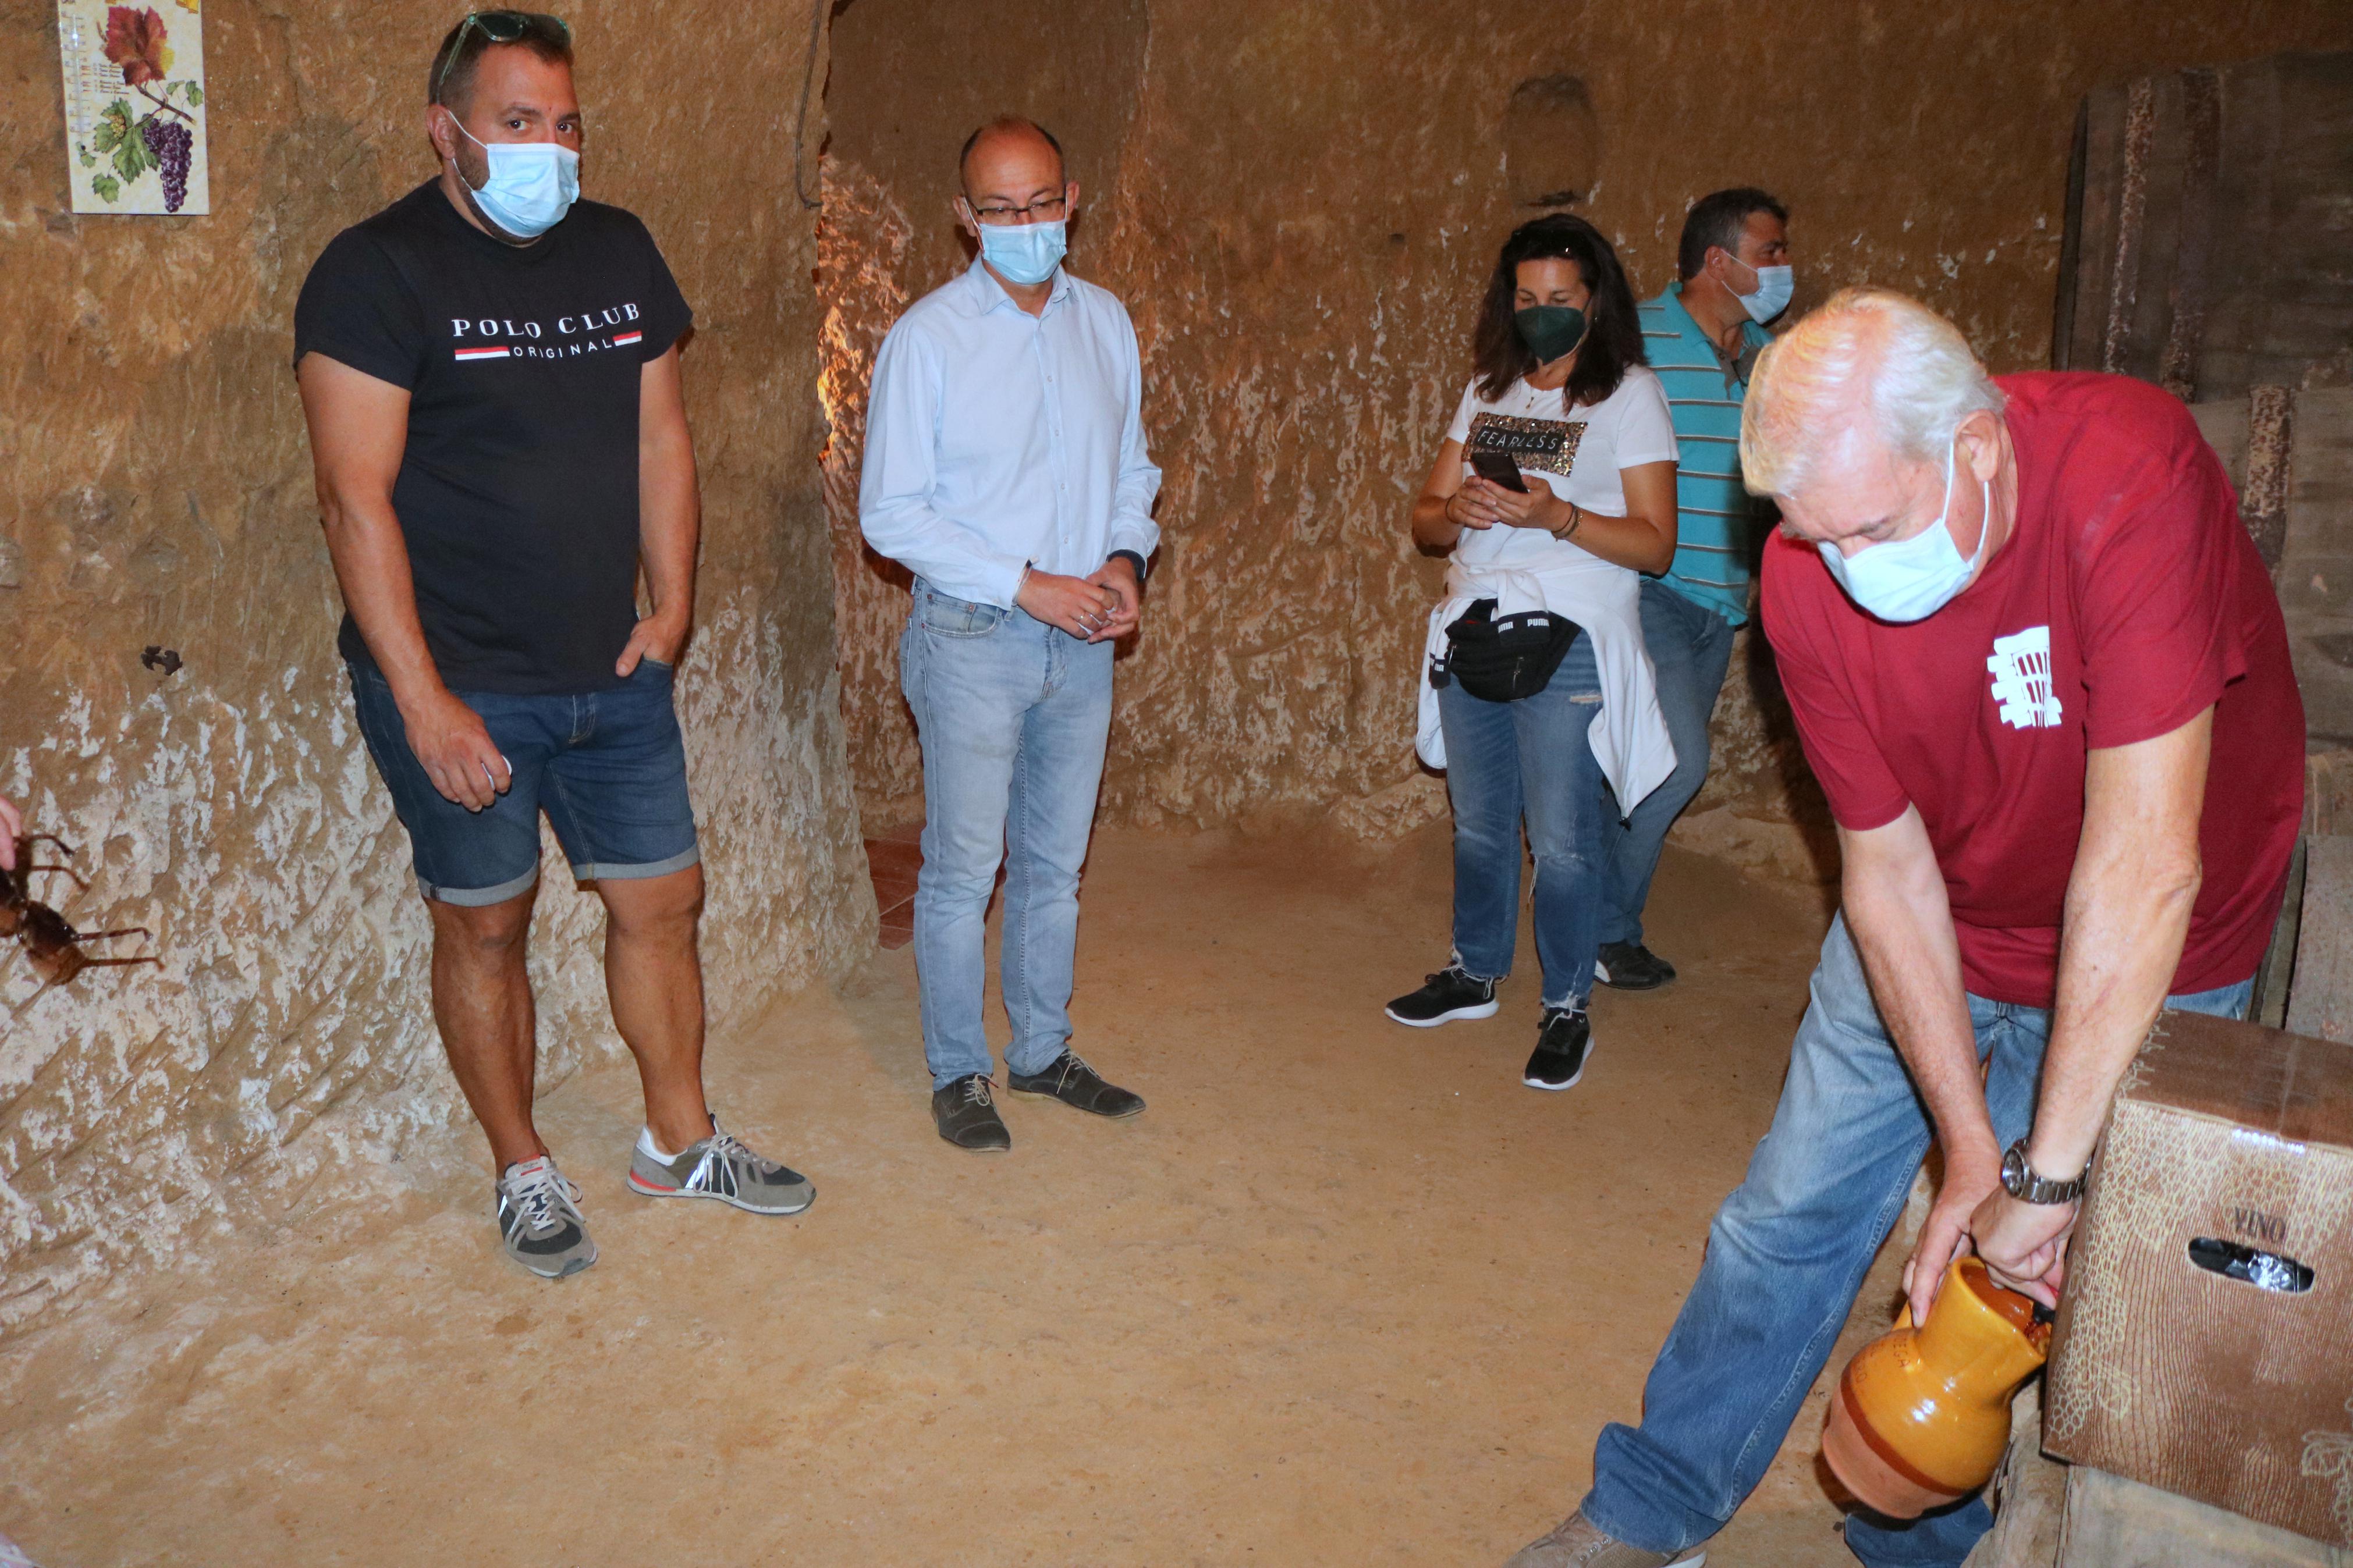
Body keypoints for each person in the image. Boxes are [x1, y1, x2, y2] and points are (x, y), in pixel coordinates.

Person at [1505, 290, 2301, 1567]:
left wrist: (2039, 1177)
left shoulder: (2125, 478)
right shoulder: (1807, 573)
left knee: (2066, 1284)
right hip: (1949, 901)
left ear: (1978, 446)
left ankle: (1928, 1541)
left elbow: (2142, 865)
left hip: (2157, 934)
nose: (1851, 571)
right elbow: (1883, 875)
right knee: (1788, 1210)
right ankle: (1654, 1502)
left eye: (1874, 525)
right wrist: (1974, 1156)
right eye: (1815, 537)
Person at [293, 12, 813, 1281]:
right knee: (485, 925)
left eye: (565, 123)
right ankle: (522, 1164)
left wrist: (672, 606)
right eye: (519, 123)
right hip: (461, 681)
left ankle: (678, 1139)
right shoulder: (374, 271)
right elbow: (353, 499)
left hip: (610, 670)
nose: (550, 148)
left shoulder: (619, 249)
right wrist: (421, 699)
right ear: (447, 129)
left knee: (663, 901)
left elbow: (661, 439)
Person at [859, 117, 1161, 1151]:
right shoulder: (927, 340)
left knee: (1053, 866)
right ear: (965, 218)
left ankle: (1041, 1051)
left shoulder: (1107, 322)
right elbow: (890, 513)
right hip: (976, 635)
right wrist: (1027, 584)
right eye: (1000, 209)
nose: (1025, 224)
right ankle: (960, 1071)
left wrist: (1123, 559)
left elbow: (1133, 469)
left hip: (1083, 638)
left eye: (1041, 203)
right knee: (962, 868)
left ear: (1071, 200)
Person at [1385, 215, 1680, 1090]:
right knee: (1478, 820)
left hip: (1572, 632)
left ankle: (1565, 1007)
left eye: (1560, 298)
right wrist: (1463, 512)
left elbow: (1655, 544)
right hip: (1478, 618)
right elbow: (1424, 519)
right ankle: (1475, 971)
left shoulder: (1628, 395)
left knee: (1561, 835)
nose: (1541, 313)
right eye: (1526, 298)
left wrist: (1558, 516)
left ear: (1596, 301)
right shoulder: (1488, 390)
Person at [1594, 190, 1791, 992]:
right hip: (1652, 589)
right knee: (1676, 761)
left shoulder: (1774, 355)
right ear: (1720, 260)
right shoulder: (1635, 340)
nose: (1783, 267)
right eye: (1770, 250)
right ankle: (1605, 931)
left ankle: (1584, 898)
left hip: (1724, 607)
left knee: (1647, 759)